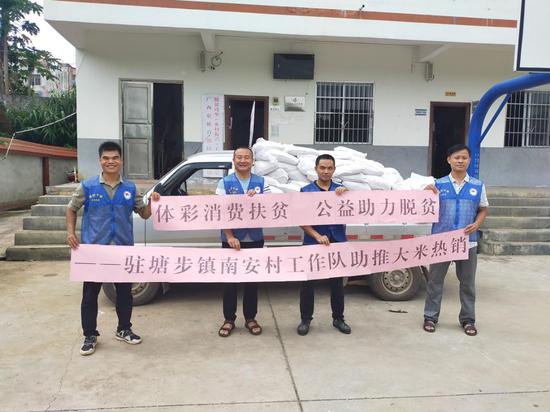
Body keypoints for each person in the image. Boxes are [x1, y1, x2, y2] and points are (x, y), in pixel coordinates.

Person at [66, 141, 160, 356]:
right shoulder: (88, 186)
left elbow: (144, 214)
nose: (111, 162)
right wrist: (70, 233)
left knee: (124, 293)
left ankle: (124, 329)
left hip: (122, 250)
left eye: (115, 158)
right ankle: (90, 335)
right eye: (106, 158)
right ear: (100, 161)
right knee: (90, 295)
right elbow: (71, 209)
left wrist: (153, 203)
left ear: (121, 160)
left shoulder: (130, 188)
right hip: (94, 250)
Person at [423, 143, 488, 336]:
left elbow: (483, 209)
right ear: (449, 160)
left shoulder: (477, 185)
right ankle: (430, 317)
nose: (460, 161)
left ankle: (468, 320)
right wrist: (424, 194)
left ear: (469, 160)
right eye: (456, 157)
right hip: (441, 241)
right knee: (435, 281)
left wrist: (477, 224)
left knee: (467, 283)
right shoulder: (437, 185)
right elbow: (424, 208)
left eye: (464, 157)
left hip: (468, 242)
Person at [216, 146, 270, 337]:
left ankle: (250, 318)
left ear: (252, 161)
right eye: (239, 157)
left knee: (252, 281)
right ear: (233, 160)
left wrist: (259, 200)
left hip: (255, 238)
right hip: (231, 240)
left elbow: (270, 208)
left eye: (246, 157)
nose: (243, 160)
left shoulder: (262, 182)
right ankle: (229, 319)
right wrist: (230, 236)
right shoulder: (224, 183)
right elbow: (220, 211)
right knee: (230, 282)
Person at [297, 154, 352, 336]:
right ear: (316, 169)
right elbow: (301, 219)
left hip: (337, 241)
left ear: (334, 170)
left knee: (337, 284)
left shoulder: (341, 191)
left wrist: (347, 196)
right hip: (313, 242)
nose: (326, 171)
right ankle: (305, 319)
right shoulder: (306, 191)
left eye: (329, 168)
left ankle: (338, 318)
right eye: (322, 168)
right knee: (308, 284)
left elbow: (352, 211)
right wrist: (317, 235)